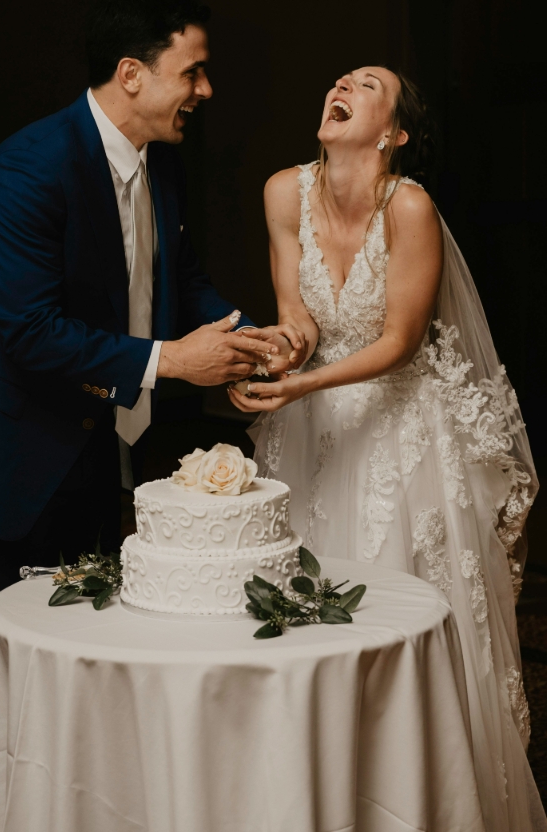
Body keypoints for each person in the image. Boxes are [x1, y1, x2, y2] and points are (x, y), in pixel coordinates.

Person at [0, 0, 305, 672]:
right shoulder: (26, 170)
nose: (206, 89)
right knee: (5, 666)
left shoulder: (162, 162)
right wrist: (173, 361)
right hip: (13, 448)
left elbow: (181, 279)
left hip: (104, 447)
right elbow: (31, 332)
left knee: (89, 652)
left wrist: (249, 338)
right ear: (132, 73)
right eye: (192, 71)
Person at [230, 66, 546, 831]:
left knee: (398, 600)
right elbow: (297, 317)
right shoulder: (282, 192)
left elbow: (402, 342)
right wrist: (269, 361)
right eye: (339, 78)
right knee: (299, 603)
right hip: (312, 428)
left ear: (394, 132)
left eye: (367, 83)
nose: (341, 84)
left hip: (405, 429)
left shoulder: (410, 207)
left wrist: (303, 387)